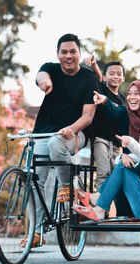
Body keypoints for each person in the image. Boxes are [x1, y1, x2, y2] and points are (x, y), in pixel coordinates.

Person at [23, 33, 100, 247]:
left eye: (72, 51)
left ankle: (70, 191)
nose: (68, 56)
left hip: (77, 134)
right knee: (35, 179)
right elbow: (41, 75)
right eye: (64, 52)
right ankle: (36, 231)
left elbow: (88, 117)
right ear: (57, 54)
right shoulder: (51, 69)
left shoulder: (88, 78)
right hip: (45, 131)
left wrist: (70, 129)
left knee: (56, 144)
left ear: (79, 53)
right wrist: (44, 81)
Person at [72, 123, 140, 221]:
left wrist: (130, 142)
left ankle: (99, 206)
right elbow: (119, 160)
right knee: (123, 165)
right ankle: (98, 199)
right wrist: (124, 156)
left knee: (123, 168)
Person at [85, 55, 126, 189]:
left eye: (119, 74)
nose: (115, 76)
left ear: (123, 79)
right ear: (105, 76)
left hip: (115, 143)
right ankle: (100, 207)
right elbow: (97, 76)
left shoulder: (123, 99)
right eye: (111, 74)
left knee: (117, 174)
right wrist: (94, 64)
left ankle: (111, 207)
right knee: (103, 173)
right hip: (100, 139)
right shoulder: (102, 90)